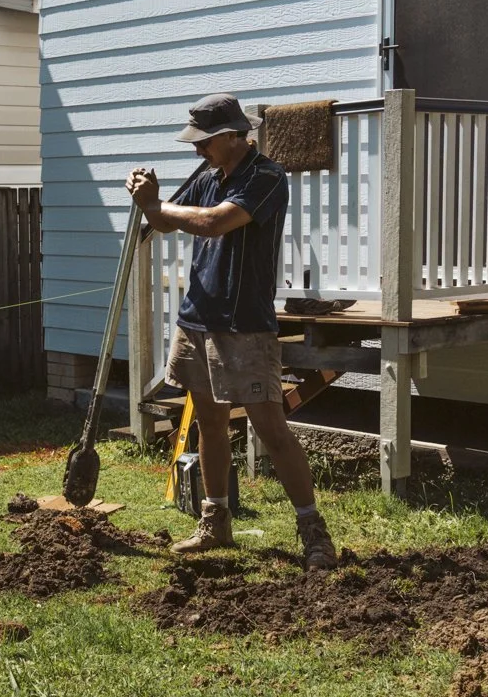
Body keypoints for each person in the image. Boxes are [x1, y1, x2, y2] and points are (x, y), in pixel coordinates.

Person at [127, 92, 336, 568]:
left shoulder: (265, 177)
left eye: (203, 142)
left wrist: (159, 206)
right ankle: (215, 521)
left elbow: (215, 223)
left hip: (243, 326)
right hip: (197, 317)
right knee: (210, 425)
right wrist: (146, 198)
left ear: (229, 136)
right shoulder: (207, 175)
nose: (196, 150)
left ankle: (313, 532)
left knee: (272, 429)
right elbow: (161, 220)